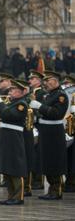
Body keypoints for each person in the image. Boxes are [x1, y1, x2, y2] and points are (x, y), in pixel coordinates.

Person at [0, 81, 29, 204]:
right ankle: (11, 195)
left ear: (20, 92)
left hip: (14, 138)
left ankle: (18, 197)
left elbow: (8, 115)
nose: (9, 92)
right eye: (9, 90)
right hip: (5, 137)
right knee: (7, 166)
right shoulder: (10, 103)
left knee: (15, 166)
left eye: (12, 90)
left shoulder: (21, 104)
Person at [33, 70, 69, 199]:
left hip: (54, 133)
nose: (45, 83)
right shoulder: (48, 95)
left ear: (55, 81)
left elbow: (56, 113)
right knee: (47, 160)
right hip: (46, 131)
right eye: (45, 81)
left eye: (48, 81)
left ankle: (56, 190)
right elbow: (44, 114)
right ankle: (51, 190)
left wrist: (40, 107)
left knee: (55, 161)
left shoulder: (61, 96)